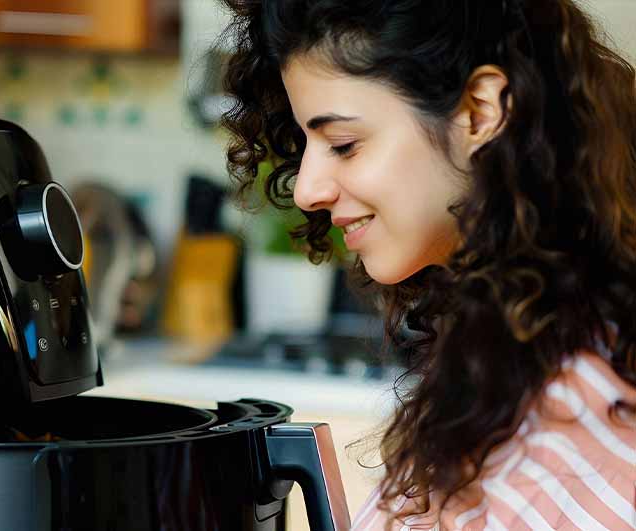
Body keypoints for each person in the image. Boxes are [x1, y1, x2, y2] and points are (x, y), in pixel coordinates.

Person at [217, 0, 636, 529]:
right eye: (305, 145)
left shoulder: (586, 411)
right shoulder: (505, 357)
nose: (306, 189)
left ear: (480, 113)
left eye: (343, 144)